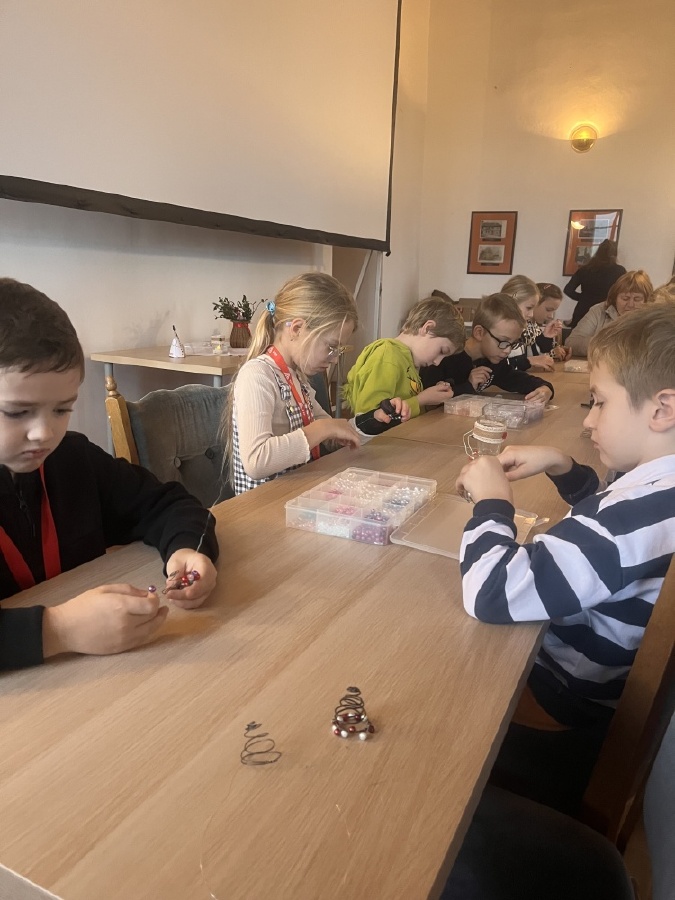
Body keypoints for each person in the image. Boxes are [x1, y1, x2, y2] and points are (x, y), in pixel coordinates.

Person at [455, 304, 675, 815]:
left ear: (662, 409)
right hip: (595, 694)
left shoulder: (633, 518)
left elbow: (491, 592)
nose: (590, 418)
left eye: (599, 402)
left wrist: (492, 503)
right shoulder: (657, 496)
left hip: (561, 706)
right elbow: (610, 536)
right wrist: (563, 466)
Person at [0, 278, 219, 671]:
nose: (44, 433)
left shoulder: (72, 458)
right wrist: (58, 630)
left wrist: (187, 549)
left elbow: (169, 503)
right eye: (17, 412)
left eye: (62, 409)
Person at [224, 272, 410, 495]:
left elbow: (333, 435)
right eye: (331, 347)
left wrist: (374, 420)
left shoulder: (297, 378)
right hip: (261, 505)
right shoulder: (257, 375)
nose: (335, 359)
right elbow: (256, 461)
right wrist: (321, 428)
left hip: (295, 495)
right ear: (296, 329)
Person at [343, 295, 466, 415]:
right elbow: (370, 415)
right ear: (427, 328)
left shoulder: (409, 362)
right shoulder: (387, 355)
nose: (437, 362)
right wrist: (421, 399)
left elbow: (407, 405)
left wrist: (431, 399)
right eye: (442, 351)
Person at [421, 294, 553, 403]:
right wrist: (468, 386)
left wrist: (545, 389)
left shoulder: (493, 362)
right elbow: (428, 400)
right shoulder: (443, 358)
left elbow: (518, 379)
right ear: (479, 333)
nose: (507, 350)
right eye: (503, 341)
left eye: (512, 343)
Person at [565, 269, 653, 358]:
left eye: (637, 299)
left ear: (647, 301)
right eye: (625, 298)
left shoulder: (653, 317)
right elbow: (571, 343)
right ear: (615, 298)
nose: (630, 304)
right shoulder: (599, 311)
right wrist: (606, 344)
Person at [564, 239, 626, 327]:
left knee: (578, 334)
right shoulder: (620, 271)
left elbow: (568, 290)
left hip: (584, 310)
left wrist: (584, 298)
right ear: (615, 254)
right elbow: (624, 292)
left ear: (598, 252)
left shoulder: (585, 269)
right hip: (607, 311)